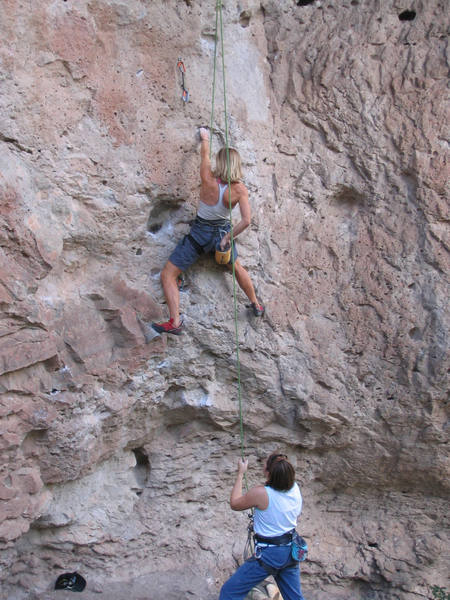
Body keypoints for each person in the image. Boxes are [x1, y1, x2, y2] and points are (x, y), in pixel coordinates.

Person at [151, 127, 264, 335]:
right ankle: (256, 303)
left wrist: (205, 138)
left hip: (199, 234)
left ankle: (175, 322)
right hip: (221, 235)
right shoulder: (240, 190)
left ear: (219, 163)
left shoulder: (207, 177)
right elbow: (247, 220)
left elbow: (204, 154)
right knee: (237, 267)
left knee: (168, 274)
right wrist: (227, 238)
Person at [219, 453, 306, 600]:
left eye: (265, 465)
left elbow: (235, 503)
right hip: (291, 549)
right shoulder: (294, 488)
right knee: (294, 597)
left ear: (268, 473)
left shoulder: (261, 493)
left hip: (270, 554)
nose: (263, 466)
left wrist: (241, 473)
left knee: (229, 592)